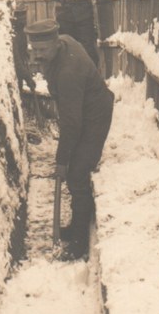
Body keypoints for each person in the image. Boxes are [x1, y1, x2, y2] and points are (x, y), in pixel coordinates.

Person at [24, 19, 115, 260]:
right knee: (75, 167)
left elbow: (71, 124)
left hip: (95, 117)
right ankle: (77, 225)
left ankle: (79, 242)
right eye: (35, 50)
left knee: (76, 173)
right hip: (83, 109)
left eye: (43, 50)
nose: (38, 56)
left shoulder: (68, 73)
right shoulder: (65, 40)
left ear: (55, 44)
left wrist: (61, 160)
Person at [10, 6, 36, 93]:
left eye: (24, 15)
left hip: (19, 73)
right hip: (13, 75)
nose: (23, 18)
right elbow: (16, 60)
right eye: (20, 15)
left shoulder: (21, 31)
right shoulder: (13, 34)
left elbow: (23, 56)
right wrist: (28, 78)